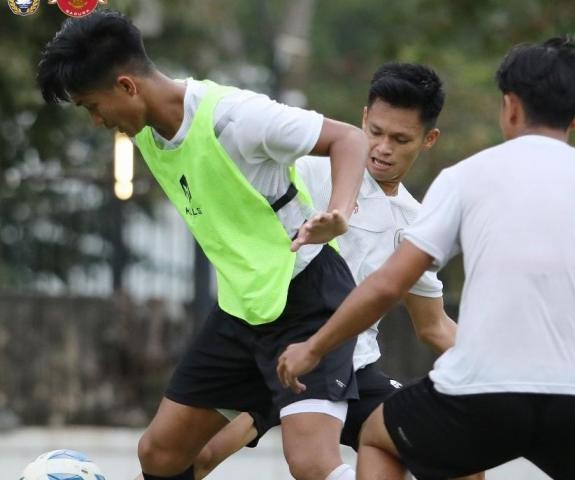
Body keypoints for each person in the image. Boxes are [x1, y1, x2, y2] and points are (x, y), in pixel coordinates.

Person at [278, 36, 575, 480]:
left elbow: (388, 286)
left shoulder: (464, 179)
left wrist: (314, 347)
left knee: (377, 436)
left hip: (480, 394)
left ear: (510, 107)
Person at [38, 10, 371, 480]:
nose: (96, 121)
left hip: (308, 299)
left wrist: (337, 213)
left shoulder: (235, 118)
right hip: (242, 309)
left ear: (128, 87)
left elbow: (349, 139)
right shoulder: (148, 131)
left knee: (311, 464)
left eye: (93, 106)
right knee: (159, 453)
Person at [156, 63, 481, 480]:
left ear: (428, 139)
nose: (382, 148)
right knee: (191, 458)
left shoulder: (415, 225)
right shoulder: (309, 170)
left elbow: (433, 325)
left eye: (400, 139)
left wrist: (500, 371)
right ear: (363, 118)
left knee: (459, 456)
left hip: (350, 369)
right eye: (376, 132)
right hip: (271, 352)